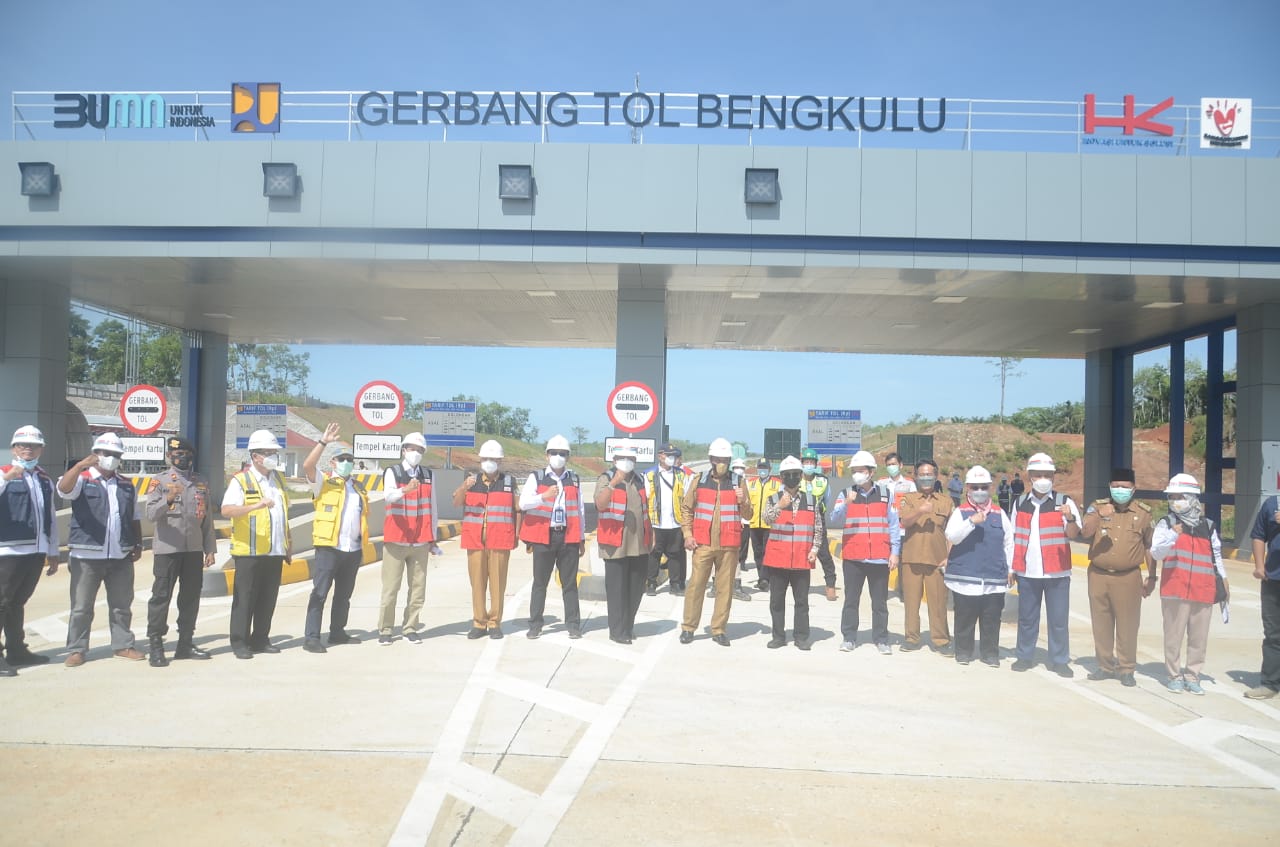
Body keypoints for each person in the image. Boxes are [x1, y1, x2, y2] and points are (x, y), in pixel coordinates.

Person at [58, 432, 145, 666]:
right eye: (107, 453)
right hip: (86, 555)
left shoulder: (126, 484)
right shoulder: (82, 478)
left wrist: (137, 543)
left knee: (121, 605)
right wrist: (79, 467)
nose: (111, 458)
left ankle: (123, 644)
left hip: (120, 554)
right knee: (81, 606)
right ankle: (77, 649)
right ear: (96, 454)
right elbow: (64, 490)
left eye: (116, 454)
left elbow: (134, 516)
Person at [1151, 473, 1228, 695]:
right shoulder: (1167, 523)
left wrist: (1223, 579)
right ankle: (1174, 675)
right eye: (1172, 497)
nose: (1175, 501)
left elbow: (1216, 555)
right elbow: (1156, 553)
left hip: (1203, 589)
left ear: (1192, 498)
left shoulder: (1208, 525)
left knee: (1199, 638)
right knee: (1173, 637)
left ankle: (1193, 675)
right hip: (1175, 589)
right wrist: (1171, 537)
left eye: (1179, 496)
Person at [144, 436, 216, 667]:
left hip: (193, 550)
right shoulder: (160, 481)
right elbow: (151, 514)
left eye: (185, 454)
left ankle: (185, 643)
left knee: (190, 598)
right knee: (161, 598)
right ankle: (156, 645)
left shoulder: (201, 482)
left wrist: (210, 548)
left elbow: (206, 519)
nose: (181, 458)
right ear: (169, 457)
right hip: (167, 550)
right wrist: (168, 498)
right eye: (176, 455)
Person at [1080, 468, 1155, 687]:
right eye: (1116, 486)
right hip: (1098, 575)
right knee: (1101, 623)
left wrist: (1152, 576)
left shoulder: (1143, 513)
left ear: (1133, 489)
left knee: (1128, 625)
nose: (1120, 490)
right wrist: (1101, 516)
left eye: (1125, 486)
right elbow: (1085, 532)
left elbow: (1149, 545)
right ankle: (1104, 666)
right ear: (1110, 487)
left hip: (1128, 576)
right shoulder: (1098, 506)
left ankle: (1126, 669)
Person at [1010, 452, 1082, 677]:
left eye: (1047, 475)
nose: (1043, 479)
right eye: (1038, 474)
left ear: (1053, 477)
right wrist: (1012, 568)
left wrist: (1069, 518)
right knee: (1027, 618)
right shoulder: (1020, 502)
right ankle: (1024, 656)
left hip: (1056, 572)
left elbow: (1074, 534)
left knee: (1058, 619)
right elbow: (1013, 537)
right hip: (1028, 571)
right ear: (1029, 476)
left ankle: (1059, 660)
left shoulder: (1064, 502)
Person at [220, 429, 291, 660]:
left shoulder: (277, 480)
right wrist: (254, 507)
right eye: (268, 452)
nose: (273, 456)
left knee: (267, 598)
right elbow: (227, 509)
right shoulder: (241, 480)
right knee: (245, 599)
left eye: (274, 452)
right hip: (249, 552)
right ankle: (240, 642)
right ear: (255, 456)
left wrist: (287, 544)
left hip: (274, 551)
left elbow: (283, 515)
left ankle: (261, 639)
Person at [301, 423, 367, 654]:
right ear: (332, 463)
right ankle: (311, 637)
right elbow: (307, 465)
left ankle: (337, 631)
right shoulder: (323, 483)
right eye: (341, 459)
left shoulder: (358, 487)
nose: (346, 463)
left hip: (352, 549)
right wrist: (323, 442)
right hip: (329, 547)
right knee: (320, 593)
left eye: (349, 459)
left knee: (344, 595)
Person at [679, 438, 752, 646]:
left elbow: (749, 513)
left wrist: (743, 500)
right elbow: (687, 508)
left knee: (725, 589)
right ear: (711, 459)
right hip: (702, 543)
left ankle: (719, 629)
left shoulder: (738, 482)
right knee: (696, 586)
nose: (721, 463)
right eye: (718, 459)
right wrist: (687, 534)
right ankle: (688, 627)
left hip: (729, 545)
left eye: (725, 460)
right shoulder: (699, 480)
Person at [0, 425, 60, 676]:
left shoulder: (44, 478)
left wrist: (53, 550)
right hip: (8, 550)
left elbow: (51, 516)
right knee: (2, 603)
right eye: (22, 445)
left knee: (17, 602)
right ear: (14, 449)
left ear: (41, 449)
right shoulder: (3, 473)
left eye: (33, 445)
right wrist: (6, 479)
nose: (28, 449)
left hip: (36, 550)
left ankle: (16, 649)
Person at [943, 466, 1013, 667]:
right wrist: (971, 522)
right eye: (976, 487)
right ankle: (963, 651)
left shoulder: (1000, 513)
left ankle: (990, 653)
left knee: (991, 618)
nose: (980, 491)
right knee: (965, 617)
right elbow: (952, 537)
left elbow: (1009, 542)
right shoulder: (960, 512)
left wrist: (1010, 568)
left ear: (990, 488)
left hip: (994, 578)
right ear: (968, 488)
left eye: (984, 487)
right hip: (965, 577)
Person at [832, 450, 900, 655]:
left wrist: (894, 551)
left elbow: (894, 524)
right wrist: (847, 504)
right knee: (851, 600)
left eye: (861, 470)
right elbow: (834, 520)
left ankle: (881, 639)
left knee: (879, 602)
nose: (857, 474)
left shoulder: (886, 494)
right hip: (854, 557)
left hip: (879, 556)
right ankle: (849, 637)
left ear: (871, 472)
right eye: (854, 471)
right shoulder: (845, 494)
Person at [379, 432, 442, 645]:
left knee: (418, 589)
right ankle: (386, 630)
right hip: (396, 540)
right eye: (411, 449)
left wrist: (432, 537)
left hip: (420, 541)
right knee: (391, 589)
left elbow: (432, 507)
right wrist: (405, 489)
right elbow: (388, 496)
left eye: (420, 450)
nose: (415, 453)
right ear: (403, 450)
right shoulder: (393, 472)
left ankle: (410, 627)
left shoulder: (428, 475)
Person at [454, 439, 519, 639]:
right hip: (475, 541)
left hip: (500, 540)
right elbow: (456, 502)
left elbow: (518, 510)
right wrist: (465, 487)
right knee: (477, 583)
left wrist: (517, 535)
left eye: (493, 458)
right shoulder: (471, 481)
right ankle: (479, 623)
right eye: (485, 458)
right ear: (480, 460)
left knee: (498, 584)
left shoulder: (509, 482)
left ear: (500, 461)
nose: (489, 462)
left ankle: (495, 623)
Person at [521, 434, 585, 639]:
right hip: (543, 537)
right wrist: (543, 496)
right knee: (540, 582)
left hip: (567, 536)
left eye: (563, 454)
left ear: (568, 456)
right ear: (547, 455)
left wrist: (581, 538)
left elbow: (581, 510)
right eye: (555, 453)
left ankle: (573, 624)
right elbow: (522, 504)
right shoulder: (537, 477)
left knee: (569, 583)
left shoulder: (573, 479)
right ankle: (535, 624)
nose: (559, 456)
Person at [762, 456, 824, 650]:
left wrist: (814, 549)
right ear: (781, 477)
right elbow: (766, 520)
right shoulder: (772, 498)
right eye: (787, 475)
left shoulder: (811, 500)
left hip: (801, 559)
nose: (792, 478)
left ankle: (801, 637)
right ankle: (778, 636)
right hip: (778, 559)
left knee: (802, 602)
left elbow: (818, 528)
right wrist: (780, 505)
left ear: (800, 476)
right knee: (777, 601)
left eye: (795, 474)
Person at [595, 443, 652, 644]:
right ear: (614, 460)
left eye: (631, 459)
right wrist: (613, 484)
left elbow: (646, 511)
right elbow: (600, 505)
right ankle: (617, 631)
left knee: (636, 588)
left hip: (639, 544)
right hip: (615, 543)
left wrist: (650, 538)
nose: (627, 462)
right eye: (622, 458)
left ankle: (628, 627)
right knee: (617, 590)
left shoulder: (639, 480)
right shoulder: (606, 478)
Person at [897, 458, 954, 654]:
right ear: (915, 476)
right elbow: (904, 521)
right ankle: (912, 638)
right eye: (922, 474)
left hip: (937, 561)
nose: (926, 478)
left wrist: (949, 556)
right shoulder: (909, 499)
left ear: (936, 476)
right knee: (911, 603)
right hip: (911, 559)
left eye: (930, 474)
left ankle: (941, 640)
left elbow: (951, 533)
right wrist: (920, 510)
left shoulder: (946, 502)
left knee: (938, 603)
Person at [1246, 492, 1280, 699]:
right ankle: (1269, 683)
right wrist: (1259, 566)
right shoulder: (1271, 504)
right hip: (1272, 580)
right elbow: (1258, 535)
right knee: (1273, 633)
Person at [645, 442, 688, 597]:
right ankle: (651, 583)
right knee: (654, 553)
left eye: (673, 455)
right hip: (656, 522)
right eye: (668, 455)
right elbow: (646, 499)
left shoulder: (681, 475)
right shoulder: (649, 475)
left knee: (675, 553)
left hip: (675, 522)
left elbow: (687, 499)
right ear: (659, 456)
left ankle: (675, 584)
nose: (671, 458)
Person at [800, 448, 839, 601]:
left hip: (818, 519)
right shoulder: (796, 479)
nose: (809, 464)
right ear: (802, 463)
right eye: (806, 462)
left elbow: (827, 500)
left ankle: (830, 585)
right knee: (801, 552)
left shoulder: (822, 481)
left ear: (815, 464)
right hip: (800, 520)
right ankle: (800, 584)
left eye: (811, 462)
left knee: (823, 554)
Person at [745, 458, 780, 592]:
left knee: (767, 552)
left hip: (769, 524)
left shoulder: (776, 484)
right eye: (760, 467)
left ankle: (765, 579)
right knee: (757, 553)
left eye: (765, 468)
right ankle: (762, 578)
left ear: (770, 469)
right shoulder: (751, 484)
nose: (762, 470)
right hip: (754, 523)